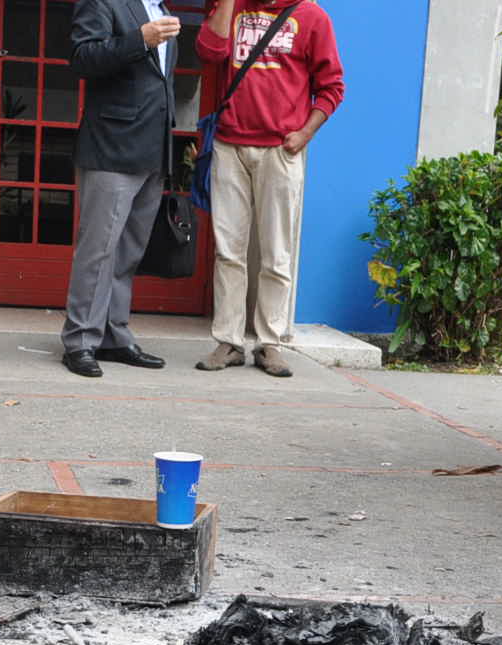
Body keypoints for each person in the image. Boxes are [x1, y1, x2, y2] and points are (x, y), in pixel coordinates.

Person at [193, 0, 344, 378]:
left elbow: (332, 86)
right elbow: (209, 51)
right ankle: (228, 341)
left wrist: (305, 133)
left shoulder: (312, 16)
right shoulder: (234, 7)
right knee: (229, 251)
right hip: (229, 145)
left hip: (281, 149)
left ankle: (270, 343)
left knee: (277, 253)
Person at [61, 0, 183, 379]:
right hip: (111, 146)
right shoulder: (103, 2)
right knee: (98, 250)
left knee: (128, 253)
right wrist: (139, 39)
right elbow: (82, 58)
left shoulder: (159, 7)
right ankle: (80, 340)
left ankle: (114, 336)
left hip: (152, 148)